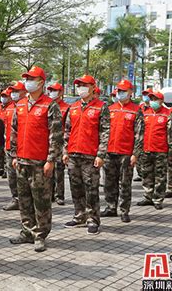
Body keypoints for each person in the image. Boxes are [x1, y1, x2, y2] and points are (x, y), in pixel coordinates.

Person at [9, 66, 63, 252]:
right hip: (22, 160)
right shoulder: (21, 104)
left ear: (41, 82)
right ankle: (26, 231)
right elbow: (14, 131)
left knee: (41, 200)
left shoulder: (50, 105)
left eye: (31, 79)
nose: (28, 82)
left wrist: (51, 160)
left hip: (40, 162)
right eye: (27, 78)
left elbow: (55, 136)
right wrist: (14, 155)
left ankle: (40, 234)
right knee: (24, 199)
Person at [63, 74, 110, 235]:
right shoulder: (74, 107)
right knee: (75, 187)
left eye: (84, 85)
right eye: (79, 85)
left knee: (91, 189)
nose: (81, 88)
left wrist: (101, 154)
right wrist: (65, 150)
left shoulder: (101, 107)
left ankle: (93, 219)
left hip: (91, 155)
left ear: (92, 87)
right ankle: (79, 216)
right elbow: (67, 131)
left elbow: (105, 132)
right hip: (73, 154)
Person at [101, 80, 143, 223]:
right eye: (118, 90)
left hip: (126, 153)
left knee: (125, 183)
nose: (120, 93)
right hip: (109, 151)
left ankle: (124, 210)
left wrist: (135, 154)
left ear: (131, 92)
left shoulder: (136, 110)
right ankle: (110, 207)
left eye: (123, 91)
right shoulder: (110, 109)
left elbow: (139, 134)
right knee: (109, 182)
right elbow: (103, 131)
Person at [137, 91, 172, 210]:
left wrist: (171, 152)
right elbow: (139, 132)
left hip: (161, 150)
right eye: (151, 99)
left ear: (161, 101)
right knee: (147, 174)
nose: (153, 101)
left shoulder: (168, 114)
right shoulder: (145, 113)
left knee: (160, 175)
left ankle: (158, 198)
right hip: (146, 149)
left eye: (155, 99)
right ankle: (148, 196)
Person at [2, 81, 27, 211]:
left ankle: (25, 201)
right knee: (11, 176)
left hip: (23, 151)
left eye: (16, 91)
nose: (13, 94)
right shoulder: (10, 108)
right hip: (9, 148)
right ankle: (15, 199)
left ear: (24, 92)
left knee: (23, 178)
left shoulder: (27, 107)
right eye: (12, 91)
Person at [47, 82, 70, 205]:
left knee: (59, 170)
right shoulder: (48, 106)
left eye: (54, 90)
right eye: (50, 90)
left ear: (61, 92)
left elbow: (68, 127)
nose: (52, 93)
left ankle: (59, 195)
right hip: (48, 142)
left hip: (60, 143)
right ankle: (49, 193)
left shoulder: (66, 107)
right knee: (48, 169)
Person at [134, 88, 153, 182]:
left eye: (148, 95)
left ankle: (146, 175)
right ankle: (140, 174)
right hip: (139, 137)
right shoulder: (139, 107)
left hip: (149, 137)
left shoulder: (154, 108)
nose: (146, 97)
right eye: (144, 94)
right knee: (138, 156)